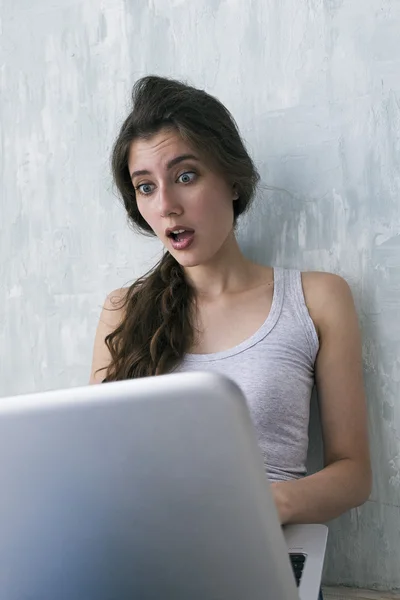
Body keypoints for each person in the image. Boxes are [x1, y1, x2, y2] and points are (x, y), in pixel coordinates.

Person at [90, 75, 371, 531]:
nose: (166, 206)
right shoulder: (123, 311)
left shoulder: (316, 298)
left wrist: (272, 503)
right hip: (149, 553)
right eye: (145, 186)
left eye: (186, 176)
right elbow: (95, 462)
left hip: (265, 553)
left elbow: (354, 475)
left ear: (234, 182)